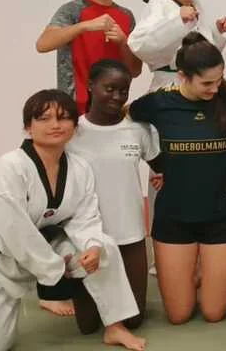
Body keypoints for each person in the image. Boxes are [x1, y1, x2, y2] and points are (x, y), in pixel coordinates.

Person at [0, 90, 145, 351]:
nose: (55, 125)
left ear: (75, 126)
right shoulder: (9, 168)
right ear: (28, 127)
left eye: (63, 118)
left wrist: (92, 245)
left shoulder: (79, 168)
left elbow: (85, 217)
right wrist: (55, 268)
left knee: (104, 247)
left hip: (49, 250)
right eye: (44, 118)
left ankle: (115, 327)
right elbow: (13, 232)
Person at [128, 33, 226, 324]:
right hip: (174, 216)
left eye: (219, 80)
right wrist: (158, 163)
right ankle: (195, 270)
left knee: (213, 313)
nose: (215, 88)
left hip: (222, 215)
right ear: (182, 76)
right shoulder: (159, 103)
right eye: (206, 83)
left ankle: (213, 273)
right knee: (178, 315)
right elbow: (125, 119)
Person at [64, 60, 156, 333]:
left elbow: (162, 165)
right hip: (85, 238)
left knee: (134, 320)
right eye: (110, 88)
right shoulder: (72, 131)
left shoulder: (138, 130)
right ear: (91, 86)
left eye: (123, 90)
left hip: (130, 235)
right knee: (88, 326)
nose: (117, 96)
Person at [35, 0, 142, 114]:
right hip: (72, 108)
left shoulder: (126, 16)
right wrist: (84, 26)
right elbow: (42, 44)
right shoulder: (72, 10)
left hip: (112, 109)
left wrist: (123, 42)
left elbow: (135, 71)